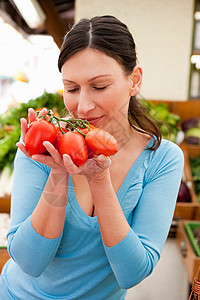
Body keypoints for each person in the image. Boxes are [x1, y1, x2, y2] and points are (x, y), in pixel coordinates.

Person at [0, 15, 184, 300]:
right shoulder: (42, 143)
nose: (83, 106)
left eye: (99, 87)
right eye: (72, 89)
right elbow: (29, 263)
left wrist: (99, 180)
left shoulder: (162, 159)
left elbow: (133, 273)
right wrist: (58, 174)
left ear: (134, 80)